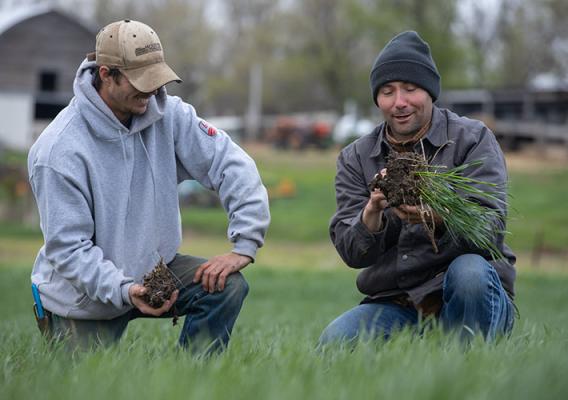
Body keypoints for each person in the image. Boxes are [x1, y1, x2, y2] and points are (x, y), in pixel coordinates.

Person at [28, 20, 270, 353]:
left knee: (226, 286)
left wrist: (245, 244)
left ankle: (192, 384)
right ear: (106, 74)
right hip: (82, 295)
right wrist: (125, 290)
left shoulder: (170, 115)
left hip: (156, 270)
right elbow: (69, 250)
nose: (152, 90)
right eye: (140, 80)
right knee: (85, 386)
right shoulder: (58, 151)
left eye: (155, 78)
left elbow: (231, 164)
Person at [319, 31, 516, 346]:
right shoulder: (356, 156)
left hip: (469, 295)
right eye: (387, 91)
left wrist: (437, 217)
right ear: (377, 98)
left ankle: (469, 367)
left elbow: (489, 227)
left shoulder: (472, 139)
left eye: (410, 89)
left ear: (429, 92)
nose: (399, 103)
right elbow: (352, 252)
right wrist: (372, 214)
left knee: (469, 273)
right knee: (333, 344)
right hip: (398, 302)